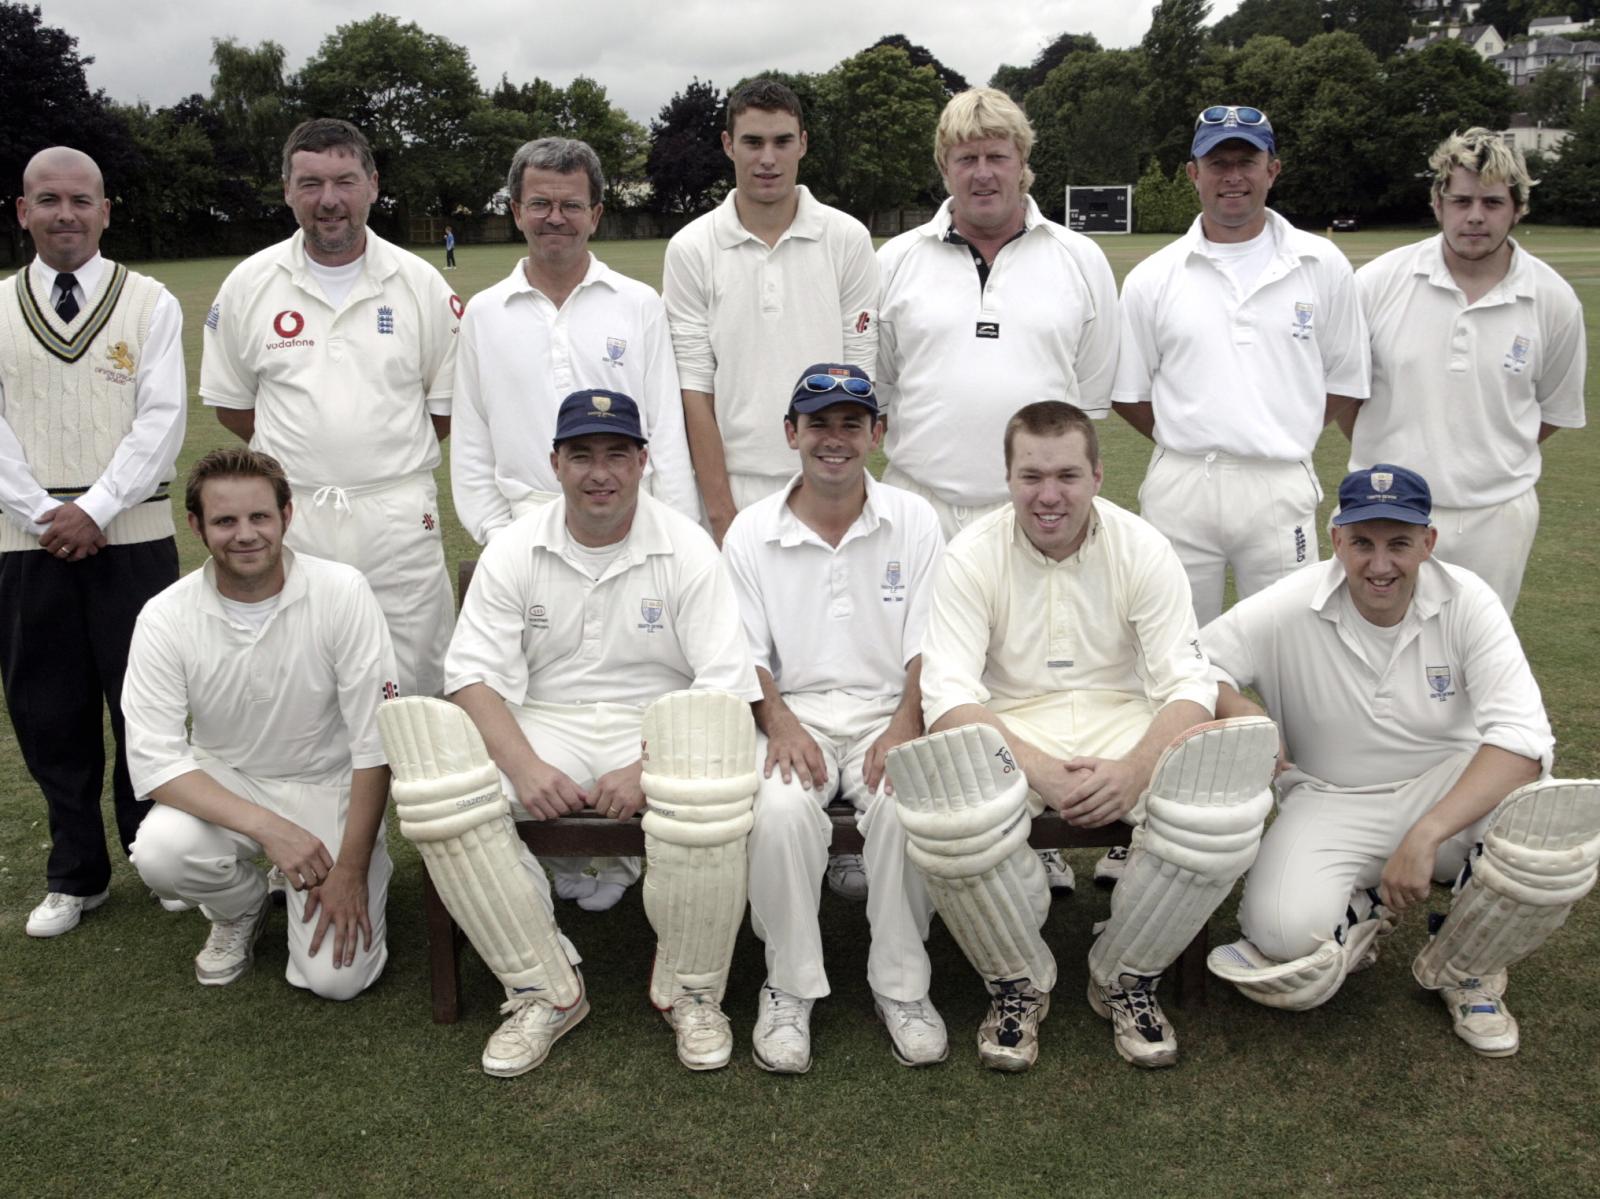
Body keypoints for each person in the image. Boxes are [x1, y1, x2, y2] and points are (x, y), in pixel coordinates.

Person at [881, 401, 1277, 1071]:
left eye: (1067, 474)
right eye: (1031, 475)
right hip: (1011, 721)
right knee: (945, 808)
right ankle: (1017, 980)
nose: (1049, 495)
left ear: (1097, 474)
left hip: (1124, 716)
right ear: (1007, 478)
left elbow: (1189, 684)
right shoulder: (972, 552)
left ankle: (1126, 973)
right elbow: (948, 694)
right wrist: (1037, 769)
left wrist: (1132, 769)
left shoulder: (1143, 546)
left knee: (1222, 807)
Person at [379, 389, 761, 1076]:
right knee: (439, 792)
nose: (599, 473)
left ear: (644, 462)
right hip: (545, 723)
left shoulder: (687, 547)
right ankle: (542, 989)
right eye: (581, 455)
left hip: (657, 726)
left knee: (714, 780)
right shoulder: (515, 547)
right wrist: (523, 766)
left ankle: (694, 990)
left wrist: (646, 770)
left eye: (617, 454)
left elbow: (725, 686)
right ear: (555, 463)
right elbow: (472, 678)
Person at [1200, 465, 1592, 1058]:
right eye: (1362, 543)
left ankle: (1465, 968)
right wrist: (1243, 711)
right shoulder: (1289, 603)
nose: (1380, 565)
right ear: (1337, 540)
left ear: (1428, 543)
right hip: (1332, 797)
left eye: (1399, 544)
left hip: (1445, 788)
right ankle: (1362, 908)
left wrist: (1426, 833)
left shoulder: (1467, 602)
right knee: (1282, 939)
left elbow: (1523, 740)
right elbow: (1193, 662)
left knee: (1548, 834)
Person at [722, 363, 947, 1071]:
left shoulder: (913, 518)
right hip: (798, 714)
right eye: (819, 423)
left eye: (852, 423)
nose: (835, 439)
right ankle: (788, 987)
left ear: (877, 434)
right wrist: (781, 725)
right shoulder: (751, 531)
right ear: (791, 432)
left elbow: (930, 641)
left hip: (890, 710)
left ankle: (902, 987)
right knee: (782, 812)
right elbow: (745, 652)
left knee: (907, 807)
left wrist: (907, 721)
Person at [125, 449, 398, 1000]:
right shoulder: (164, 614)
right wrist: (272, 830)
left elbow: (376, 744)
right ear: (196, 526)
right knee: (159, 852)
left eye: (259, 518)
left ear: (287, 516)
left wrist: (350, 868)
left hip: (329, 785)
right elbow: (156, 762)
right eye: (225, 521)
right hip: (229, 780)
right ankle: (241, 906)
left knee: (336, 982)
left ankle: (362, 870)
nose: (245, 535)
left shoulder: (342, 591)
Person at [200, 117, 459, 698]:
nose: (329, 201)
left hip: (397, 516)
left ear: (372, 183)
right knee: (305, 684)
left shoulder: (420, 284)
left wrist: (372, 458)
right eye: (311, 183)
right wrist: (310, 458)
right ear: (287, 190)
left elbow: (442, 410)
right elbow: (236, 407)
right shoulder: (249, 284)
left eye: (344, 181)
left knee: (416, 686)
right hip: (296, 516)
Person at [1, 147, 185, 938]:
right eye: (49, 200)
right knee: (49, 710)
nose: (65, 214)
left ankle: (158, 854)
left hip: (133, 535)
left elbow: (162, 417)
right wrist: (44, 511)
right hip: (24, 541)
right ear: (22, 211)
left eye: (81, 200)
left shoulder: (149, 301)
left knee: (145, 704)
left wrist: (98, 508)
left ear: (106, 211)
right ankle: (76, 874)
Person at [1113, 104, 1369, 626]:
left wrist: (1280, 429)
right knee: (1176, 641)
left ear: (1272, 169)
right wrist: (1189, 434)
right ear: (1194, 174)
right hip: (1182, 481)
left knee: (1289, 641)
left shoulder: (1321, 263)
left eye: (1246, 162)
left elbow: (1345, 378)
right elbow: (1128, 392)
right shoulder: (1153, 276)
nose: (1232, 177)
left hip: (1279, 480)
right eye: (1217, 163)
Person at [1344, 128, 1586, 614]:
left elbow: (1554, 410)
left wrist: (1485, 456)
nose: (1475, 216)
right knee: (1372, 654)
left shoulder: (1554, 300)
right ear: (1438, 203)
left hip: (1496, 517)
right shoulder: (1376, 284)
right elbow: (1346, 397)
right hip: (1385, 513)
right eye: (1462, 200)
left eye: (1493, 203)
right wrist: (1391, 451)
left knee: (1475, 663)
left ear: (1518, 209)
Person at [876, 87, 1119, 540]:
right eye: (966, 159)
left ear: (1021, 161)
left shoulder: (1081, 259)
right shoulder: (895, 260)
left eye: (997, 157)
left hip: (1033, 510)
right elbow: (883, 389)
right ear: (944, 168)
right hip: (916, 507)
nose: (982, 174)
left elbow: (1087, 396)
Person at [662, 78, 878, 546]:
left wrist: (836, 483)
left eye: (782, 141)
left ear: (802, 143)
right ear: (728, 145)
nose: (767, 158)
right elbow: (695, 387)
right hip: (733, 485)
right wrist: (721, 513)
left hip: (826, 475)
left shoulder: (846, 238)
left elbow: (860, 375)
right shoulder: (691, 248)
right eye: (752, 142)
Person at [452, 137, 698, 544]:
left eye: (571, 206)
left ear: (595, 214)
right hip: (522, 529)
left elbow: (666, 431)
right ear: (516, 211)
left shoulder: (639, 303)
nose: (555, 218)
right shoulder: (484, 312)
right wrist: (497, 535)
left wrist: (675, 534)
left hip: (634, 526)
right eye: (539, 204)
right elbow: (471, 442)